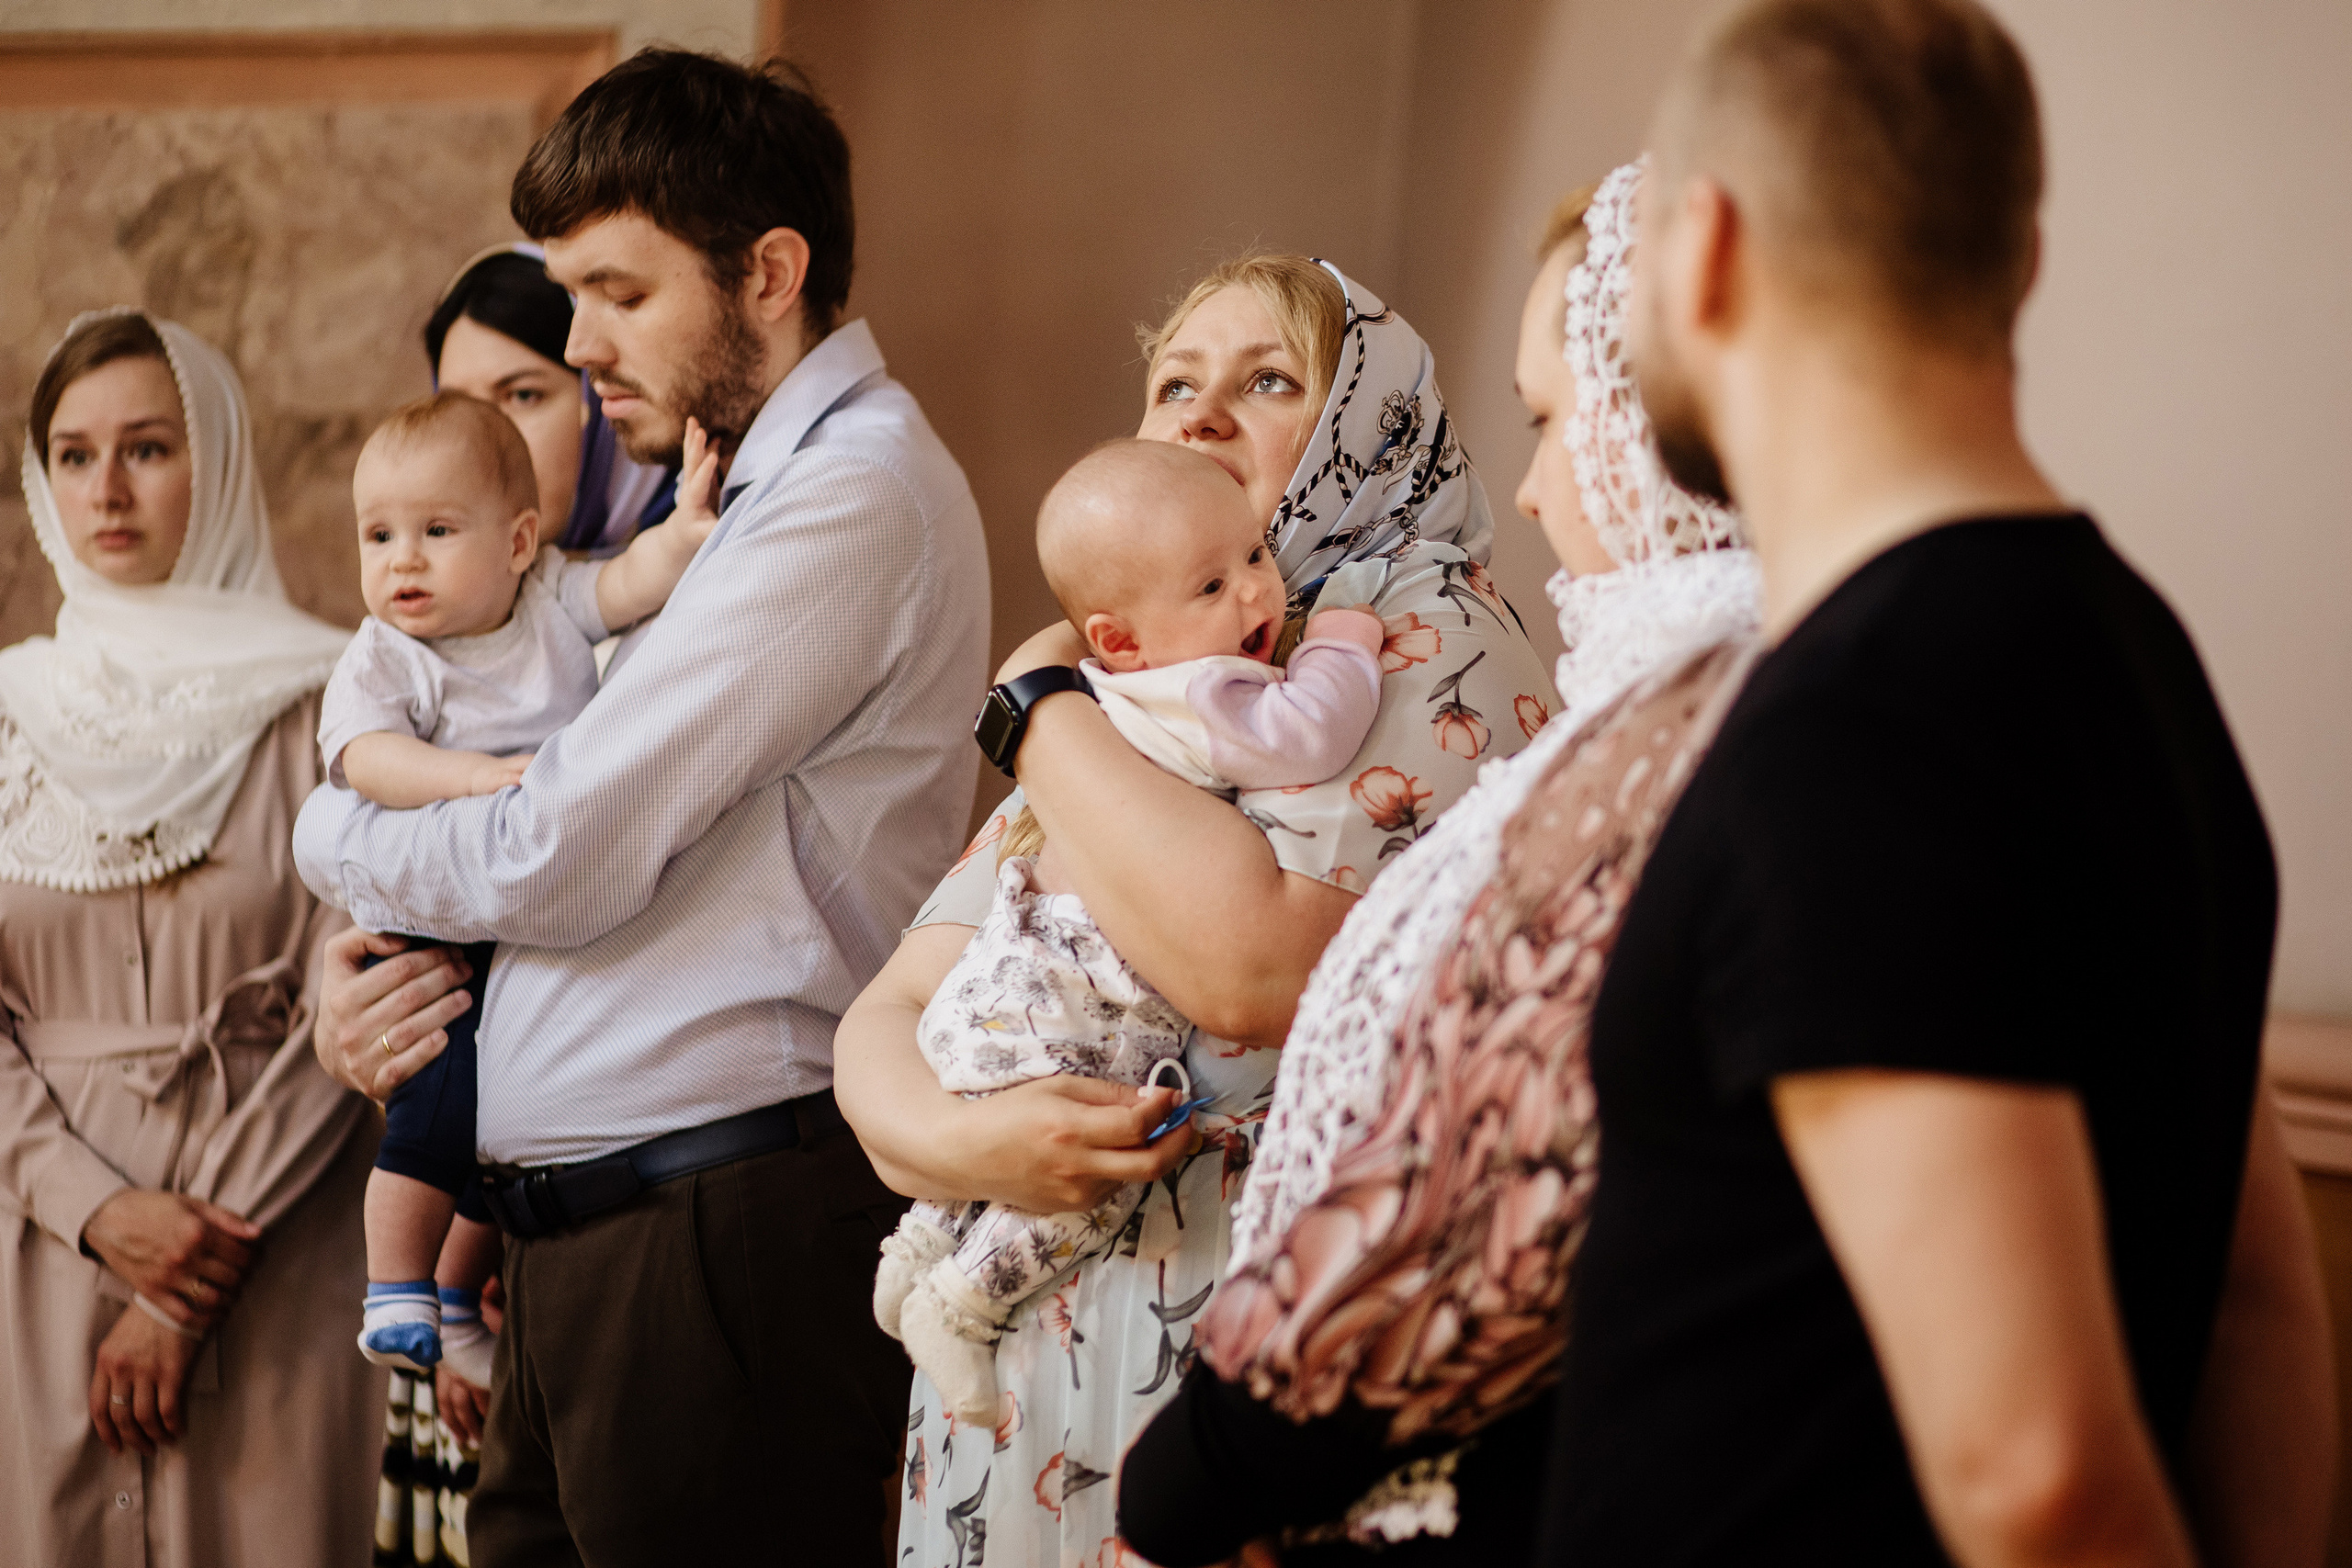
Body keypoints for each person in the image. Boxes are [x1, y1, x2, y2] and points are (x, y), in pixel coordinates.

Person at [1539, 3, 2335, 1564]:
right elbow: (2257, 1306)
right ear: (2019, 263)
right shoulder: (2134, 652)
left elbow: (2036, 1469)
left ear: (1701, 252)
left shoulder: (1860, 727)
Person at [295, 50, 990, 1565]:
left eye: (617, 289)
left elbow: (559, 846)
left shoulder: (848, 494)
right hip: (595, 1242)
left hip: (715, 1241)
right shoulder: (735, 498)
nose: (581, 335)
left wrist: (331, 835)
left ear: (769, 272)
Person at [836, 254, 1559, 1568]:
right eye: (1176, 384)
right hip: (1016, 1373)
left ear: (1368, 423)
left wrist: (1030, 703)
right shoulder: (1146, 670)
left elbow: (1248, 968)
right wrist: (959, 1137)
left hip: (1226, 1364)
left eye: (1269, 379)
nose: (1204, 415)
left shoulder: (1413, 618)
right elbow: (894, 1003)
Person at [1116, 162, 1764, 1566]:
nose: (1527, 493)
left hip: (1327, 1401)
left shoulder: (1674, 719)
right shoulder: (1129, 645)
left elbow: (1485, 1173)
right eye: (1177, 382)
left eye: (1549, 418)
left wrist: (1199, 1473)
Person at [876, 439, 1385, 1425]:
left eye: (1252, 557)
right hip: (1081, 986)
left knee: (998, 1123)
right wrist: (1344, 643)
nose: (1253, 594)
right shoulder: (1201, 693)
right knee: (1092, 1166)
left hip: (1006, 971)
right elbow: (1309, 734)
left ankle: (917, 1249)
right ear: (1118, 640)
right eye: (1210, 584)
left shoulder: (1094, 705)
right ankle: (963, 1305)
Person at [0, 309, 381, 1565]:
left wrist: (180, 1276)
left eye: (149, 448)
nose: (106, 489)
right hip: (40, 1247)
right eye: (72, 454)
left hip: (269, 1248)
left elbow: (368, 982)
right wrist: (95, 1207)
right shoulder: (7, 715)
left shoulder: (340, 703)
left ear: (213, 463)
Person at [322, 392, 717, 1383]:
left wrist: (696, 528)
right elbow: (365, 760)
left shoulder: (545, 599)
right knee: (437, 1095)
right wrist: (467, 778)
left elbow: (629, 585)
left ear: (519, 542)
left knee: (506, 1108)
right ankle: (395, 1285)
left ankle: (458, 1287)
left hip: (542, 913)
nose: (401, 560)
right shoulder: (388, 655)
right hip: (438, 917)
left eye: (436, 531)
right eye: (378, 535)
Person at [426, 242, 678, 552]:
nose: (482, 441)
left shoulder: (720, 574)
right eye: (456, 407)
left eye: (523, 395)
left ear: (603, 397)